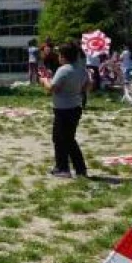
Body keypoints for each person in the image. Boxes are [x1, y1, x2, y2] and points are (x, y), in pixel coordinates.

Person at [41, 42, 90, 178]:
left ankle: (69, 169)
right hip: (75, 107)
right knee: (60, 138)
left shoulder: (64, 70)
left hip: (63, 109)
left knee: (66, 139)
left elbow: (52, 89)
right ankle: (65, 167)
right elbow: (87, 86)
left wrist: (44, 80)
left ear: (63, 56)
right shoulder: (81, 69)